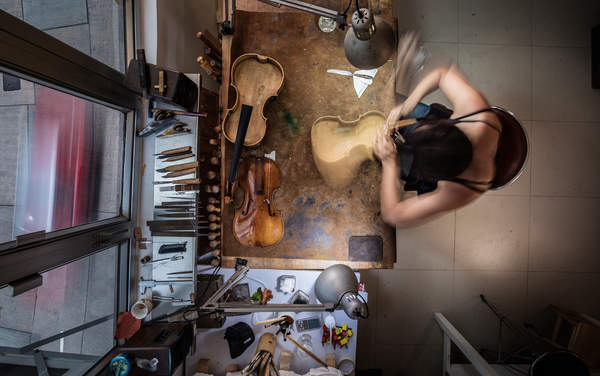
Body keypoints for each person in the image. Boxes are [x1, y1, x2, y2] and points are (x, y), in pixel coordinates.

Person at [373, 64, 502, 227]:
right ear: (448, 127)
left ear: (437, 178)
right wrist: (407, 106)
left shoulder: (461, 191)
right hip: (448, 142)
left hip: (444, 168)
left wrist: (389, 162)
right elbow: (442, 74)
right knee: (392, 105)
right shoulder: (476, 113)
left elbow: (393, 215)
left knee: (379, 160)